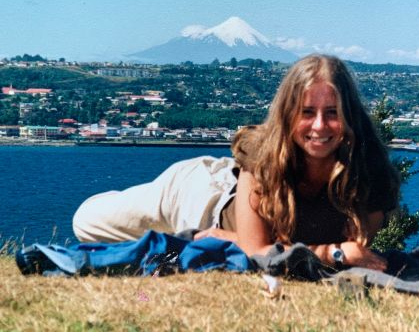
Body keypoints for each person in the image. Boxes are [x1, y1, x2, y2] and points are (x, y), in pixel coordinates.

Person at [73, 55, 399, 270]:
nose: (319, 126)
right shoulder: (264, 156)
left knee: (158, 254)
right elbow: (262, 253)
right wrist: (333, 253)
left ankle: (168, 252)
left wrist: (234, 240)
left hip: (221, 231)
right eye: (306, 112)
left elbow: (351, 251)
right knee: (86, 222)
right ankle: (166, 245)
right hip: (204, 196)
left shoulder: (370, 172)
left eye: (332, 113)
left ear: (349, 115)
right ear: (287, 115)